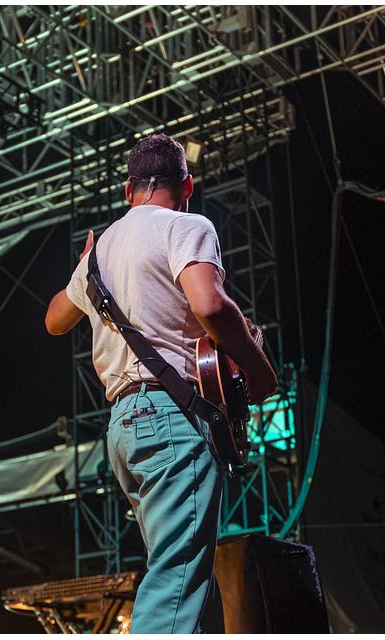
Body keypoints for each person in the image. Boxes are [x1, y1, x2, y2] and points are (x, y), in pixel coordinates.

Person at [45, 133, 277, 633]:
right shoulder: (186, 226)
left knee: (191, 580)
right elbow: (209, 303)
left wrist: (85, 264)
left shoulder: (100, 252)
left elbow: (54, 320)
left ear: (127, 190)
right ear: (187, 186)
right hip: (172, 421)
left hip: (124, 429)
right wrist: (259, 370)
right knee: (177, 578)